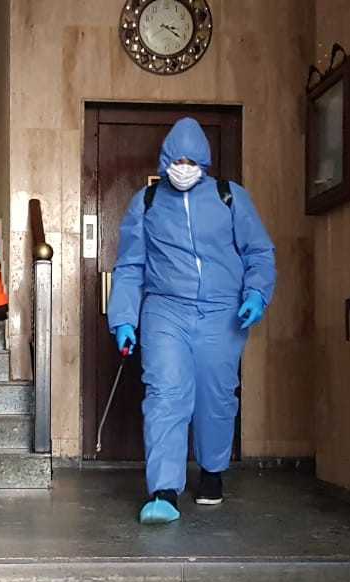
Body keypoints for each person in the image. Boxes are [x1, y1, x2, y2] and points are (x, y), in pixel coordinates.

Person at [106, 117, 276, 525]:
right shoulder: (146, 202)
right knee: (165, 394)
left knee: (216, 396)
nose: (183, 168)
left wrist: (256, 293)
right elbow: (130, 265)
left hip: (223, 312)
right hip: (166, 310)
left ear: (205, 163)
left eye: (192, 161)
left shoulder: (229, 197)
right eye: (177, 160)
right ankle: (164, 491)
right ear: (165, 161)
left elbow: (259, 252)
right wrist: (123, 319)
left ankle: (212, 471)